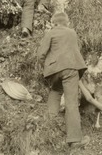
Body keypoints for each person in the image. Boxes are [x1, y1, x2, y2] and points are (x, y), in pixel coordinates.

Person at [37, 12, 90, 147]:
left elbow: (41, 54)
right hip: (70, 68)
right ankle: (74, 140)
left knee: (55, 90)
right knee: (71, 103)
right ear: (66, 22)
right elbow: (74, 50)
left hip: (54, 70)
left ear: (54, 23)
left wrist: (47, 67)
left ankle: (49, 125)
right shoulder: (72, 32)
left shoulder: (51, 32)